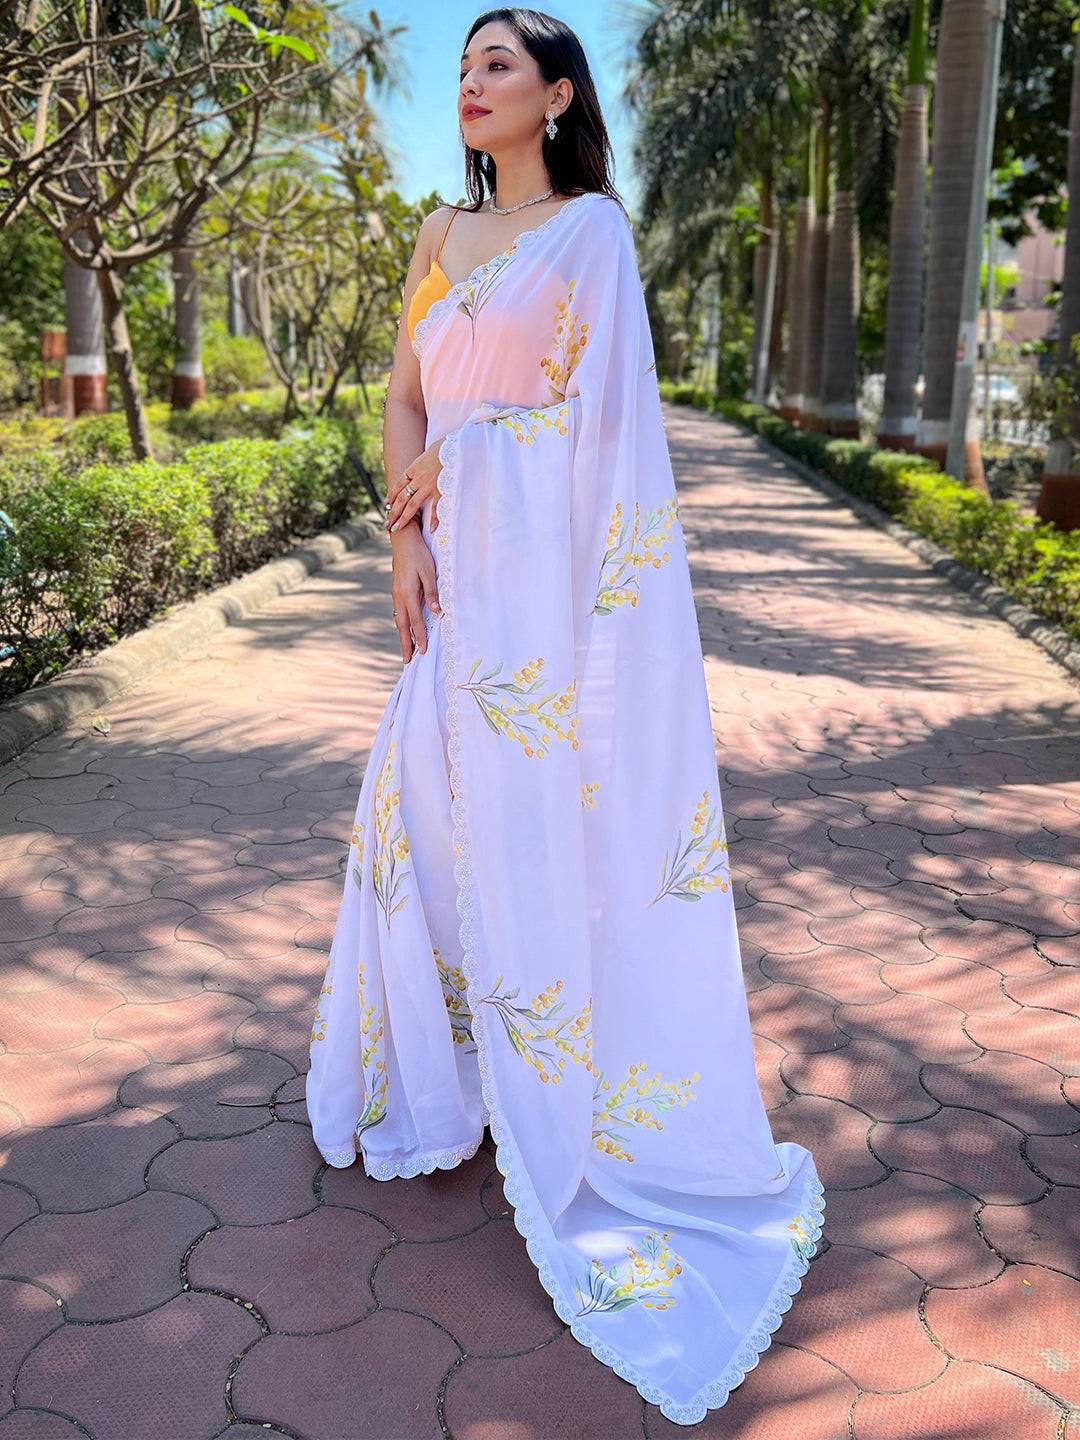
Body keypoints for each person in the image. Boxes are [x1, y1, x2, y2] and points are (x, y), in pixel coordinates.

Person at [305, 7, 824, 1425]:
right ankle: (441, 1062)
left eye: (493, 66)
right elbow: (403, 402)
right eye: (460, 65)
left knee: (525, 809)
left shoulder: (593, 233)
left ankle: (555, 1071)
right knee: (422, 800)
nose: (467, 86)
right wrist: (404, 533)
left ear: (555, 95)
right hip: (452, 571)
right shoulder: (434, 236)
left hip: (535, 579)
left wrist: (563, 590)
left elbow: (608, 438)